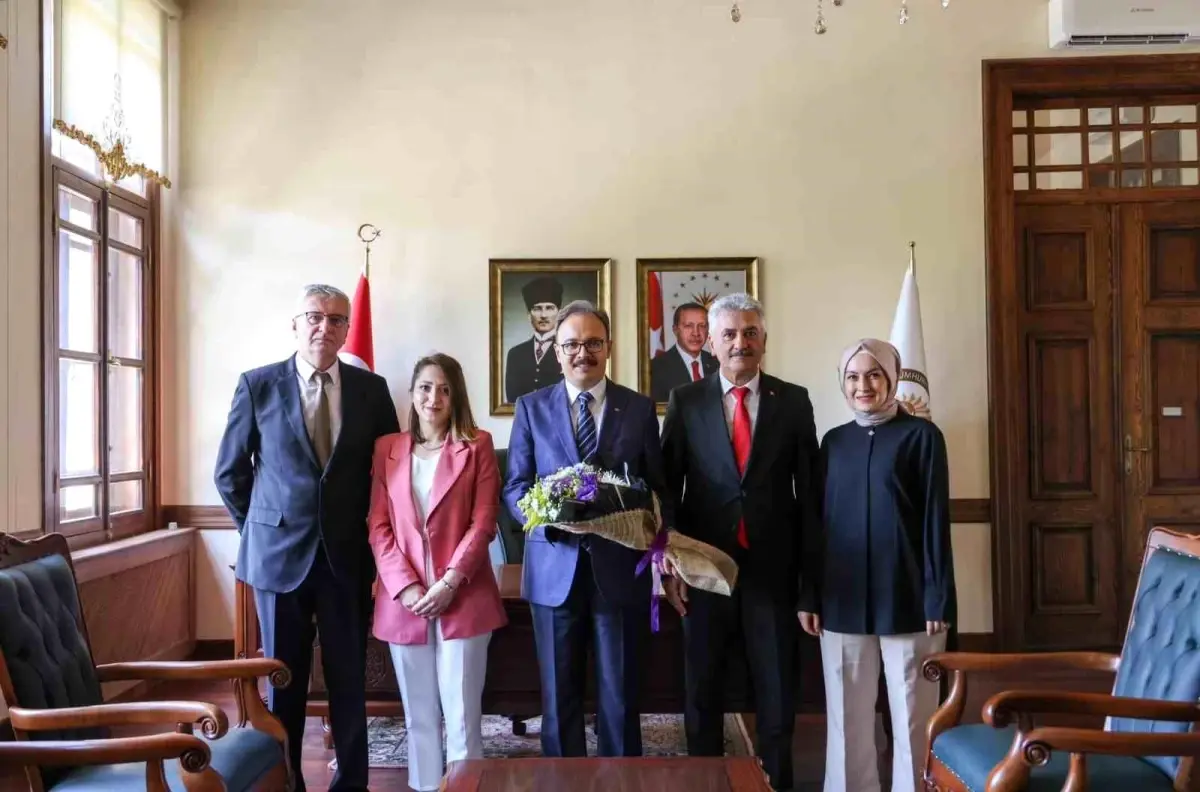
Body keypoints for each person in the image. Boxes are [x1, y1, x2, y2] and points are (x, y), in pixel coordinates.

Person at [214, 283, 400, 792]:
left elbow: (389, 473)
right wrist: (261, 529)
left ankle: (353, 784)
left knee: (348, 681)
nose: (326, 326)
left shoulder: (373, 390)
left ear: (345, 330)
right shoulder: (258, 385)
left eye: (338, 319)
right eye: (315, 317)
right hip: (278, 560)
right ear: (295, 324)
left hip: (346, 559)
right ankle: (285, 780)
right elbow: (230, 474)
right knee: (284, 683)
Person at [660, 292, 821, 792]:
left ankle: (775, 783)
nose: (740, 343)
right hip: (705, 571)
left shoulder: (792, 401)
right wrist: (672, 566)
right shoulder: (686, 402)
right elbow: (667, 488)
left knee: (776, 696)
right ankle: (705, 783)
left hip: (773, 573)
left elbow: (812, 498)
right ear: (710, 341)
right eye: (728, 333)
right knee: (702, 695)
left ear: (764, 340)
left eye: (750, 332)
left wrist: (809, 587)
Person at [503, 299, 669, 758]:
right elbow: (515, 486)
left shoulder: (637, 409)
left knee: (619, 698)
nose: (582, 353)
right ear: (557, 351)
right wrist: (542, 513)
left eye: (592, 343)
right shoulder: (531, 407)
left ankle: (621, 783)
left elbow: (656, 488)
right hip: (553, 568)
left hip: (620, 571)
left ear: (609, 347)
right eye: (572, 344)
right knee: (559, 699)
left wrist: (645, 523)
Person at [806, 339, 956, 792]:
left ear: (892, 378)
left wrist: (938, 596)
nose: (863, 385)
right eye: (853, 376)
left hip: (909, 598)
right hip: (841, 599)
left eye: (873, 374)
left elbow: (935, 520)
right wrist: (809, 595)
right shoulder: (833, 442)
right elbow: (817, 525)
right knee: (847, 718)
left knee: (913, 712)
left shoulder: (923, 436)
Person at [367, 352, 507, 792]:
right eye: (426, 387)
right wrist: (405, 587)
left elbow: (483, 522)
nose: (434, 397)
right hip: (404, 601)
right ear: (412, 393)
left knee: (463, 715)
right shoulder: (386, 448)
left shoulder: (478, 444)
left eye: (444, 389)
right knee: (419, 716)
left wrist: (449, 582)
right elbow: (378, 525)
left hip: (463, 597)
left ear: (456, 396)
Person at [505, 276, 565, 401]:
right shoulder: (515, 354)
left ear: (559, 313)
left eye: (549, 308)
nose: (543, 315)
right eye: (537, 309)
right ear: (529, 315)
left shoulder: (567, 351)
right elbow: (512, 399)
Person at [650, 301, 719, 402]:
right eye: (688, 326)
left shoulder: (719, 364)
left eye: (702, 326)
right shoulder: (656, 369)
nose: (696, 333)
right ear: (675, 330)